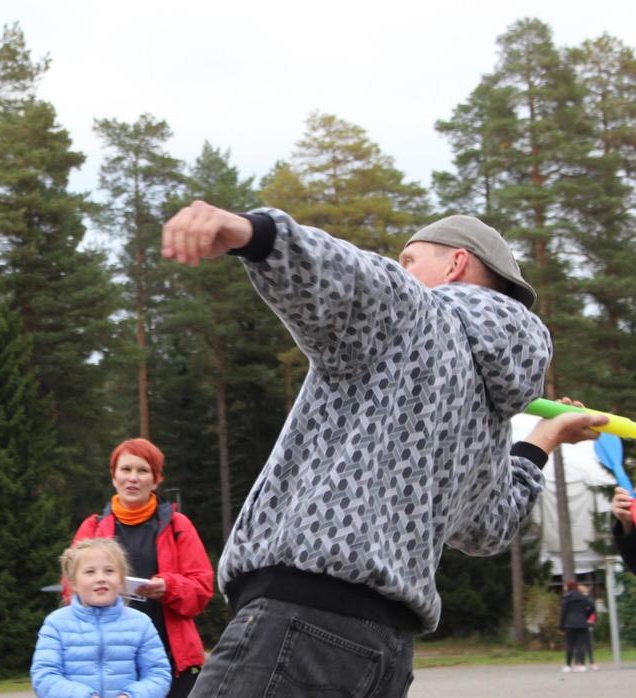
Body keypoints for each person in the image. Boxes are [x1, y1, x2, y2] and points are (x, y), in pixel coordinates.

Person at [160, 202, 609, 697]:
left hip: (301, 620)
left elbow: (346, 275)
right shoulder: (490, 412)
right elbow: (488, 527)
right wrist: (545, 438)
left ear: (456, 264)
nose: (402, 269)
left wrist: (250, 231)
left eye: (410, 258)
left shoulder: (415, 311)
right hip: (387, 652)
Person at [69, 438, 213, 698]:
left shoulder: (179, 526)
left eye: (143, 470)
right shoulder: (92, 528)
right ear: (114, 477)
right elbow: (71, 591)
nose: (133, 478)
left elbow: (202, 591)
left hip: (170, 661)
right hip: (110, 663)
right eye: (126, 470)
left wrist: (168, 587)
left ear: (156, 480)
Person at [32, 538, 171, 698]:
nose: (101, 578)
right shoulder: (56, 623)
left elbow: (158, 674)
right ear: (74, 583)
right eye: (90, 572)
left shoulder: (141, 623)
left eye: (109, 571)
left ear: (121, 580)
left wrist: (131, 696)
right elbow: (44, 676)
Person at [560, 580, 595, 672]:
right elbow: (591, 607)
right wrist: (586, 615)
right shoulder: (583, 597)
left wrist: (562, 625)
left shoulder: (566, 598)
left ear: (569, 587)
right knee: (581, 644)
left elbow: (563, 612)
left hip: (570, 623)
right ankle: (582, 665)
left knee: (570, 645)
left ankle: (568, 665)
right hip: (582, 622)